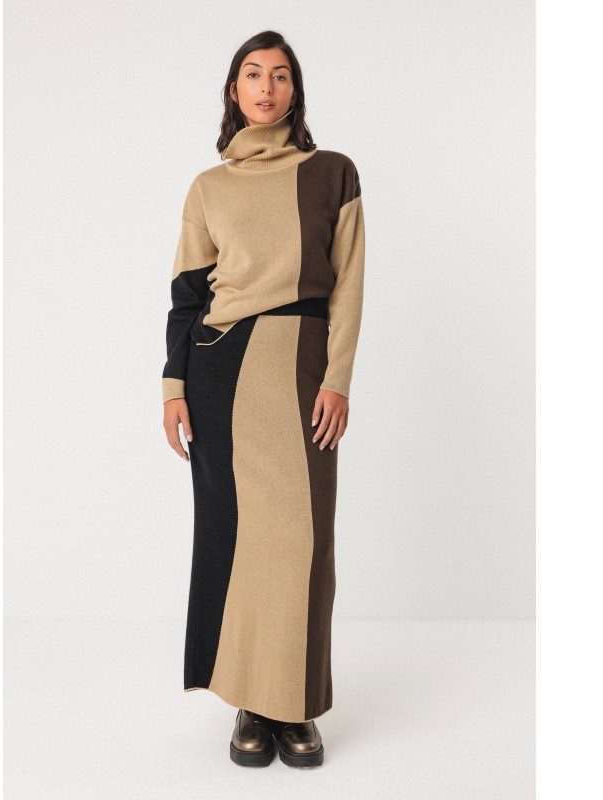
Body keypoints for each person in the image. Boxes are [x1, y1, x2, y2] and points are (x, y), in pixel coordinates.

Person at [161, 30, 365, 769]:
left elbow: (348, 284)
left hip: (301, 370)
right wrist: (174, 384)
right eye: (253, 74)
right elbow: (187, 296)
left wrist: (337, 378)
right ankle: (251, 700)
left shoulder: (332, 173)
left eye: (280, 75)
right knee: (239, 542)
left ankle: (296, 703)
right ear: (234, 90)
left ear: (295, 91)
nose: (267, 87)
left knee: (303, 543)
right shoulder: (207, 188)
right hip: (218, 376)